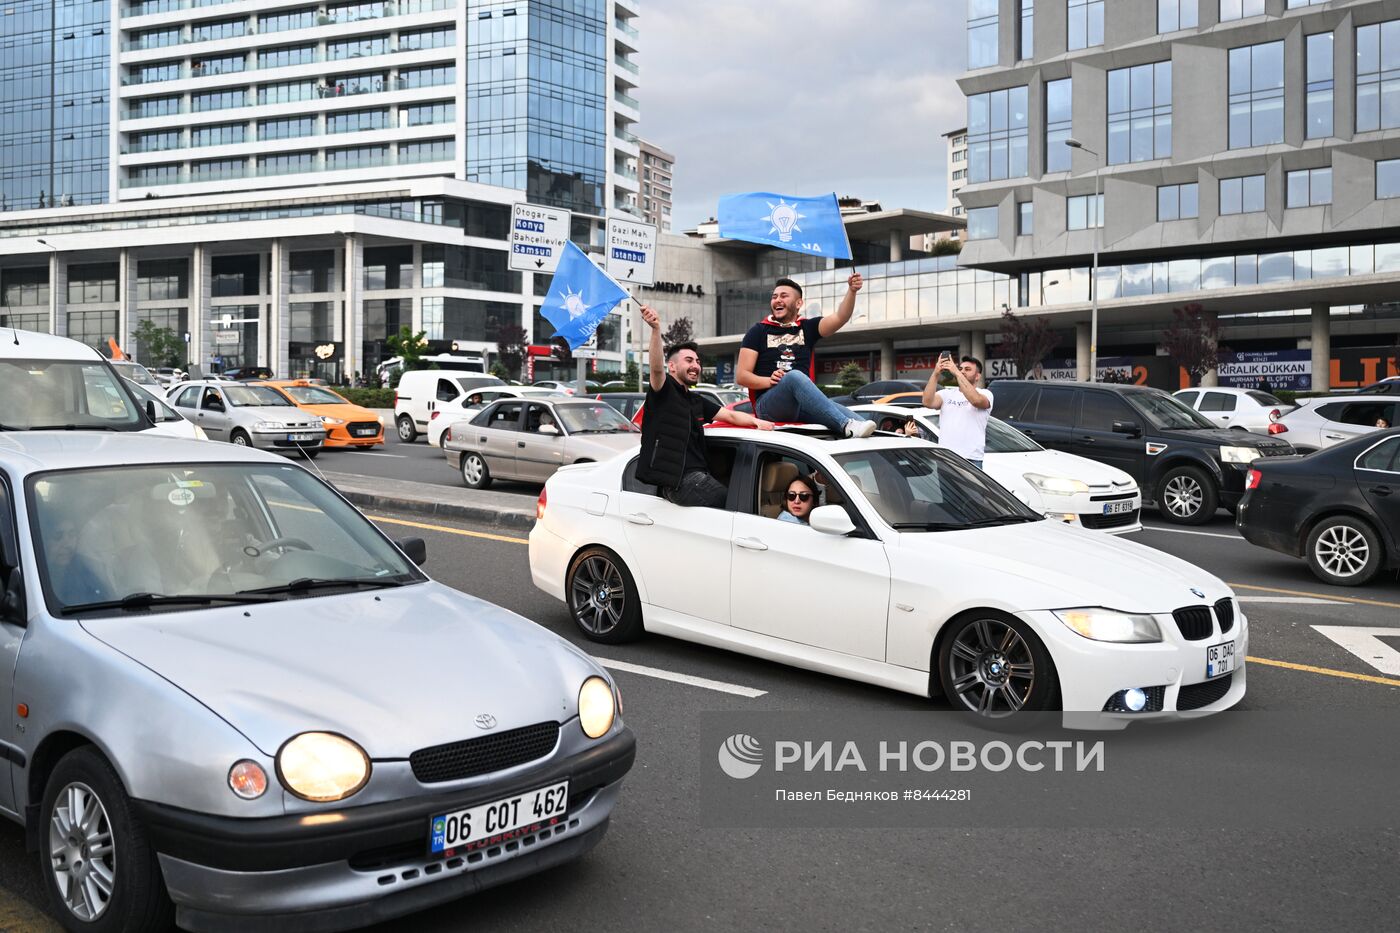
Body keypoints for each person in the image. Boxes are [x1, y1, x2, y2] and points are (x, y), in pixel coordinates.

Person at [637, 305, 773, 506]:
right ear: (672, 366)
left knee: (744, 500)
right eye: (689, 360)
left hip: (699, 476)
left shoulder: (695, 400)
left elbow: (731, 416)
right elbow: (657, 370)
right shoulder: (664, 392)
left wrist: (758, 422)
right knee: (737, 504)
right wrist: (656, 330)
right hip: (678, 482)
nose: (695, 365)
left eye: (698, 361)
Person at [736, 275, 876, 438]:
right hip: (768, 406)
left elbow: (840, 317)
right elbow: (742, 376)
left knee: (864, 427)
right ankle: (845, 426)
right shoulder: (758, 331)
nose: (777, 300)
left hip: (801, 404)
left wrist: (852, 291)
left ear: (798, 303)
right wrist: (769, 381)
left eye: (784, 296)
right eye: (774, 297)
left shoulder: (807, 328)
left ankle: (874, 434)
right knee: (794, 377)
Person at [922, 354, 992, 469]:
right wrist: (936, 373)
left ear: (977, 376)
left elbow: (976, 400)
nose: (962, 371)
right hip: (946, 457)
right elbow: (927, 402)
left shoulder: (986, 394)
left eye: (968, 369)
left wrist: (957, 373)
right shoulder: (947, 393)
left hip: (970, 458)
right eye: (961, 369)